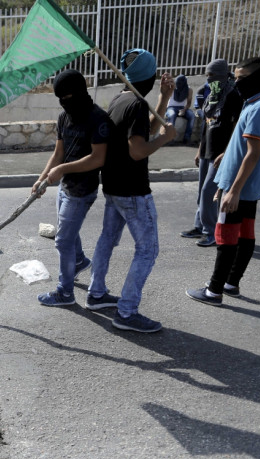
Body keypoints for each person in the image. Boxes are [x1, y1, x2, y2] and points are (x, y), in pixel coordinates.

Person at [87, 48, 175, 333]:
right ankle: (126, 312)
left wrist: (163, 99)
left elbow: (140, 132)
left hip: (112, 185)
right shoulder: (136, 104)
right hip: (133, 191)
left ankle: (96, 293)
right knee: (148, 250)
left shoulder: (121, 100)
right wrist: (165, 138)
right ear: (150, 75)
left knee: (107, 239)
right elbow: (138, 150)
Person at [186, 57, 260, 305]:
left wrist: (232, 190)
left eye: (241, 78)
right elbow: (244, 144)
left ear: (257, 77)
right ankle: (231, 283)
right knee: (245, 233)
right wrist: (227, 155)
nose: (236, 82)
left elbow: (253, 152)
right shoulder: (259, 101)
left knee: (226, 235)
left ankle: (214, 290)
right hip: (249, 183)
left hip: (241, 185)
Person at [33, 69, 115, 308]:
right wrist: (41, 178)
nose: (64, 103)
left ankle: (65, 293)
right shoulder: (64, 117)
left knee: (63, 241)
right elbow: (58, 153)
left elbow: (98, 158)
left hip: (82, 191)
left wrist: (63, 169)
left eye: (67, 98)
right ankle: (78, 262)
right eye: (60, 99)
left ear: (79, 92)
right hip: (65, 187)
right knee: (67, 232)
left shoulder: (98, 119)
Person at [180, 59, 243, 247]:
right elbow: (207, 126)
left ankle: (211, 232)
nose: (209, 79)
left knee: (209, 192)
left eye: (212, 75)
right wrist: (200, 150)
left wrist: (227, 152)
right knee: (202, 192)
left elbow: (236, 126)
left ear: (223, 75)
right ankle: (199, 226)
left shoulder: (233, 95)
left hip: (221, 153)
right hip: (207, 150)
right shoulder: (211, 95)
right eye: (207, 75)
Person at [165, 74, 195, 144]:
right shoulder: (171, 88)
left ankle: (187, 138)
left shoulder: (189, 89)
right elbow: (165, 98)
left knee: (192, 116)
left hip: (183, 108)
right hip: (171, 107)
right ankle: (170, 138)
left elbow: (189, 102)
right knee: (172, 115)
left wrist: (184, 110)